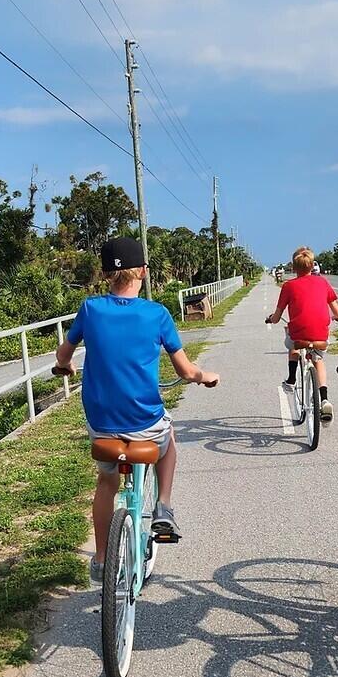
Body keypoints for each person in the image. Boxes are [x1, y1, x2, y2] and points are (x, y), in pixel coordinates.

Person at [55, 235, 220, 583]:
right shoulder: (157, 314)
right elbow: (186, 371)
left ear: (105, 274)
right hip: (146, 424)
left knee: (106, 480)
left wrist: (66, 366)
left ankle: (101, 559)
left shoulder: (90, 308)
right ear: (143, 271)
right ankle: (163, 505)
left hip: (102, 424)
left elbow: (63, 354)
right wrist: (205, 377)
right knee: (170, 439)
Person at [266, 246, 338, 421]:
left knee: (292, 344)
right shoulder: (323, 282)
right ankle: (324, 399)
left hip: (299, 333)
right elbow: (336, 310)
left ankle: (292, 379)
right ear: (312, 266)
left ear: (293, 268)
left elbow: (277, 317)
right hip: (320, 334)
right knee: (318, 360)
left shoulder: (288, 286)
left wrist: (271, 319)